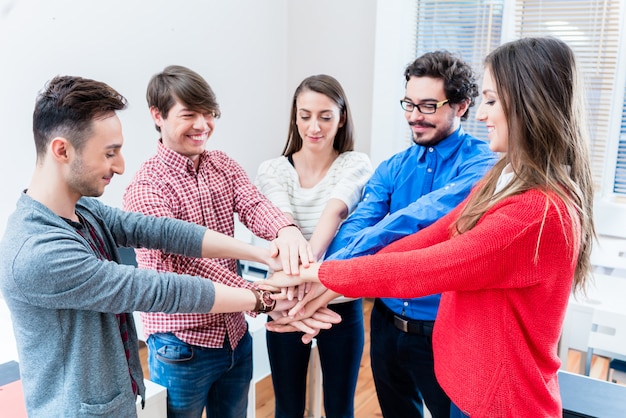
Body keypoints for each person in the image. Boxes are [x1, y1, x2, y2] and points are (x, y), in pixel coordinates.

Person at [264, 36, 595, 417]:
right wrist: (325, 278)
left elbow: (434, 261)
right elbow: (428, 236)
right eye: (409, 104)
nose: (484, 116)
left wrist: (324, 274)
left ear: (527, 105)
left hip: (501, 400)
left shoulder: (532, 209)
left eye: (491, 101)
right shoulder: (504, 180)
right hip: (465, 379)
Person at [0, 75, 339, 418]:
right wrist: (263, 298)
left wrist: (268, 248)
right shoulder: (38, 252)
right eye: (109, 153)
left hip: (122, 395)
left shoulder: (83, 209)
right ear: (62, 150)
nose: (119, 166)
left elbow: (166, 232)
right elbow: (156, 288)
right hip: (111, 390)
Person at [283, 51, 495, 418]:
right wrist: (328, 271)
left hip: (444, 328)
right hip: (386, 324)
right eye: (409, 104)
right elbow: (359, 221)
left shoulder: (483, 162)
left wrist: (330, 273)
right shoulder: (393, 166)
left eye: (428, 106)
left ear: (461, 107)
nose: (414, 116)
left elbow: (421, 217)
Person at [122, 65, 316, 418]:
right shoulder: (145, 188)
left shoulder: (222, 164)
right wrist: (261, 297)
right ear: (157, 115)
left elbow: (253, 204)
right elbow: (186, 264)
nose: (203, 125)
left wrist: (285, 231)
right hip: (182, 346)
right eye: (189, 114)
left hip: (234, 338)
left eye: (208, 114)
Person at [255, 74, 373, 418]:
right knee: (288, 407)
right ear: (295, 116)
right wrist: (305, 280)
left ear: (342, 118)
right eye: (305, 115)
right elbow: (284, 225)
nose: (314, 126)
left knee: (340, 407)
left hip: (339, 301)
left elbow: (334, 212)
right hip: (285, 305)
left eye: (325, 116)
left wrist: (306, 273)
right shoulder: (273, 170)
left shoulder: (355, 163)